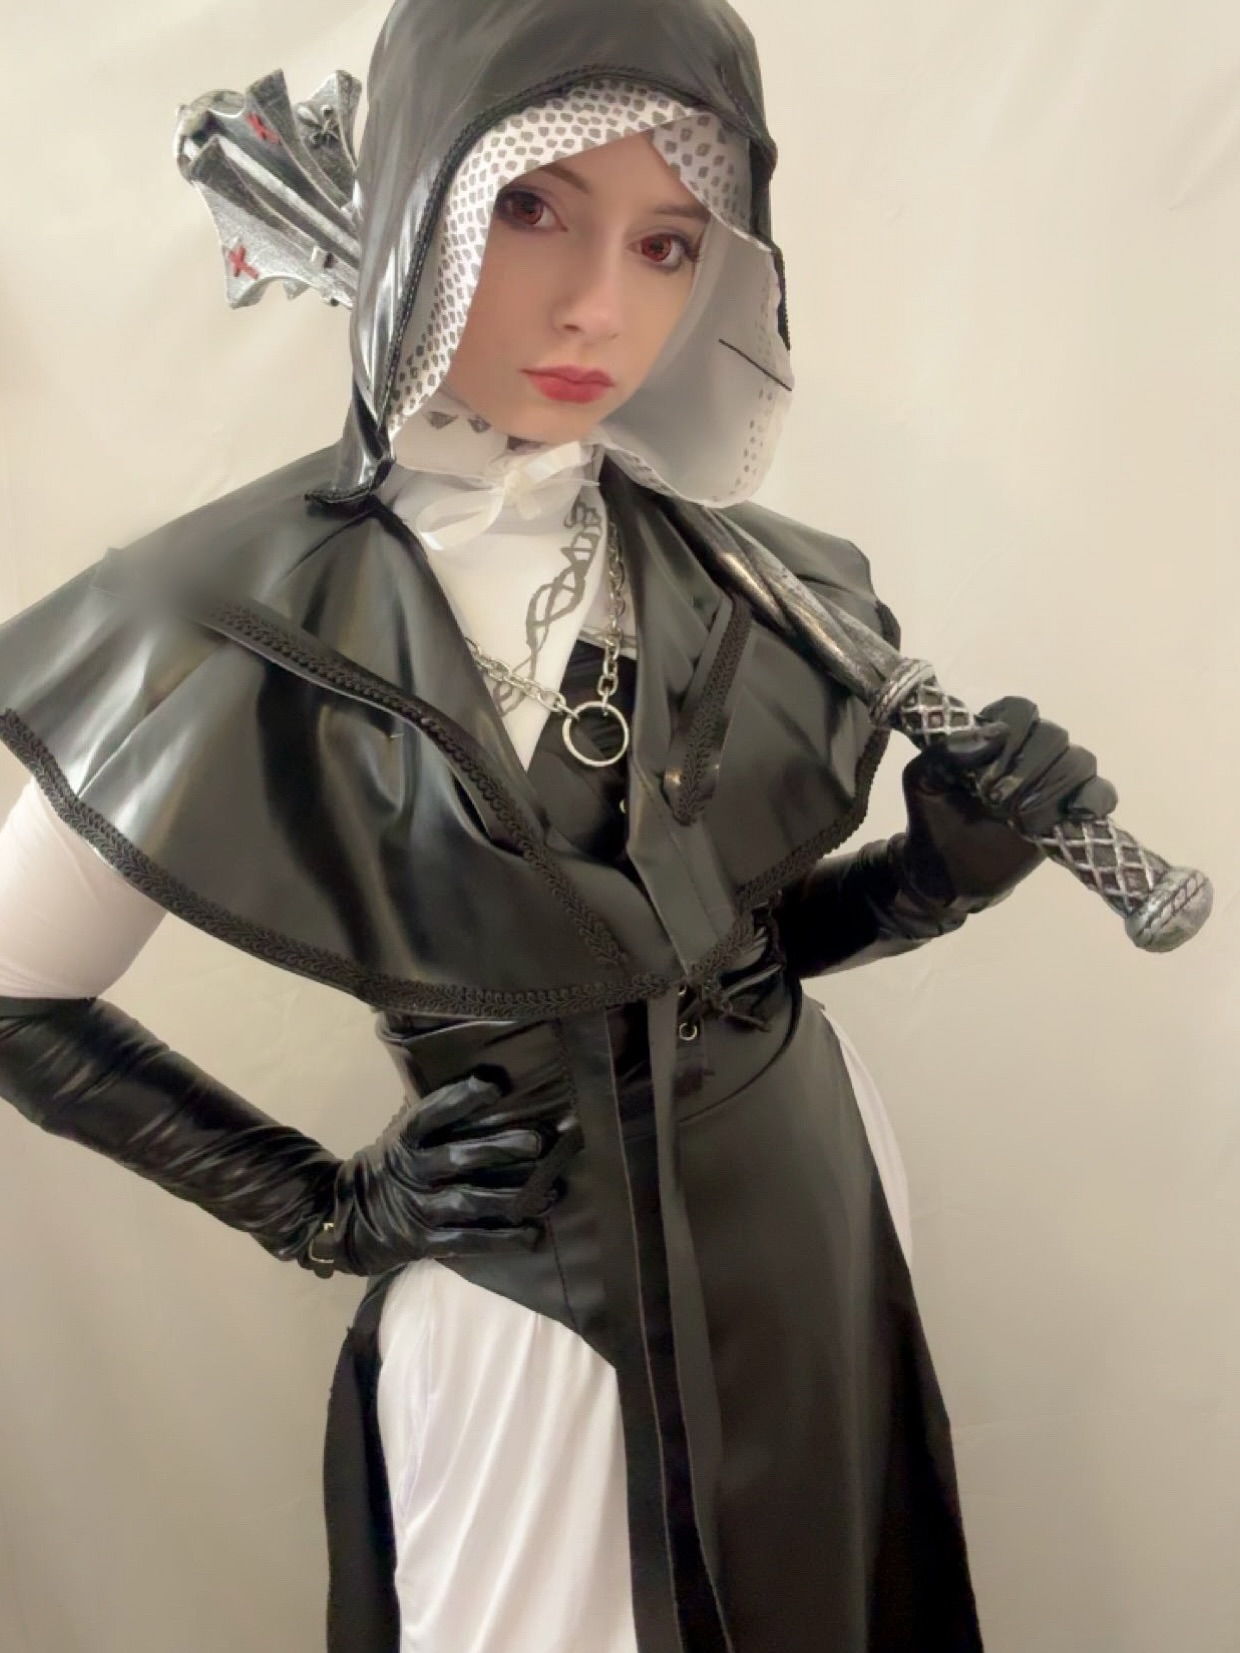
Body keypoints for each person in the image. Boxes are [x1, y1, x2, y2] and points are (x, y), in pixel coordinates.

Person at [0, 2, 1117, 1650]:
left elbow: (714, 951)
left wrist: (937, 876)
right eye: (532, 208)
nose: (600, 306)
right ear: (421, 202)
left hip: (813, 1210)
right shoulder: (218, 617)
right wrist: (323, 1208)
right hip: (543, 1318)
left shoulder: (753, 576)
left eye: (667, 243)